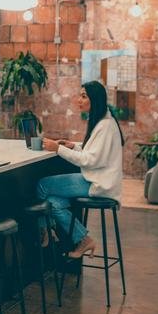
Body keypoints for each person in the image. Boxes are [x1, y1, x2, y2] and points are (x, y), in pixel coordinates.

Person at [36, 80, 124, 259]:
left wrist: (57, 148)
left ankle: (44, 230)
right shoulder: (103, 121)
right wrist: (72, 147)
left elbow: (89, 161)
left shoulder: (105, 126)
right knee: (52, 203)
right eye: (80, 95)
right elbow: (93, 155)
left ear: (95, 99)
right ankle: (83, 239)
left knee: (42, 185)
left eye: (84, 96)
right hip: (96, 179)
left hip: (97, 183)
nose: (79, 100)